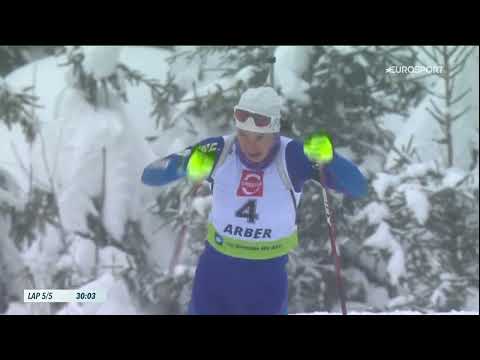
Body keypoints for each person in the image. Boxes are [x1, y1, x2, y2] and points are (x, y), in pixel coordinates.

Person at [141, 86, 367, 315]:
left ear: (275, 132)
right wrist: (183, 166)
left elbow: (357, 186)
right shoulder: (217, 150)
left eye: (259, 137)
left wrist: (332, 159)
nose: (250, 145)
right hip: (215, 274)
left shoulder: (293, 156)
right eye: (243, 135)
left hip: (266, 278)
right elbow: (150, 174)